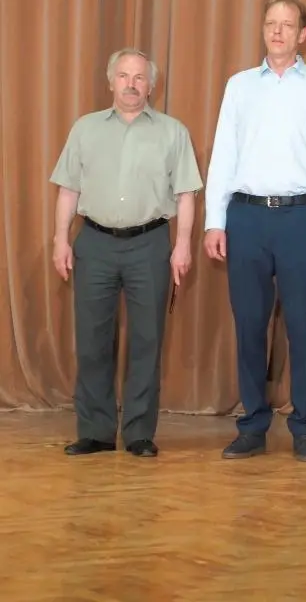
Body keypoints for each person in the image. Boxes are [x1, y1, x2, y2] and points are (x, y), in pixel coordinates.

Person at [204, 0, 306, 463]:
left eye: (287, 25)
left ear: (302, 34)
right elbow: (223, 154)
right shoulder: (240, 85)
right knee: (249, 324)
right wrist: (214, 221)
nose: (278, 31)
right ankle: (252, 425)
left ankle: (305, 428)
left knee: (303, 326)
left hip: (303, 219)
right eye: (271, 23)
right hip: (246, 217)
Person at [50, 48, 203, 457]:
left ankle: (138, 433)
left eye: (139, 77)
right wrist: (60, 240)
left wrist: (182, 245)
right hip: (94, 243)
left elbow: (185, 195)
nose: (131, 84)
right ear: (110, 82)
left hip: (149, 244)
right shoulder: (85, 129)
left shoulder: (173, 132)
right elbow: (68, 189)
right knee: (92, 340)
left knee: (147, 340)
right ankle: (96, 431)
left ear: (151, 85)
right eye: (123, 76)